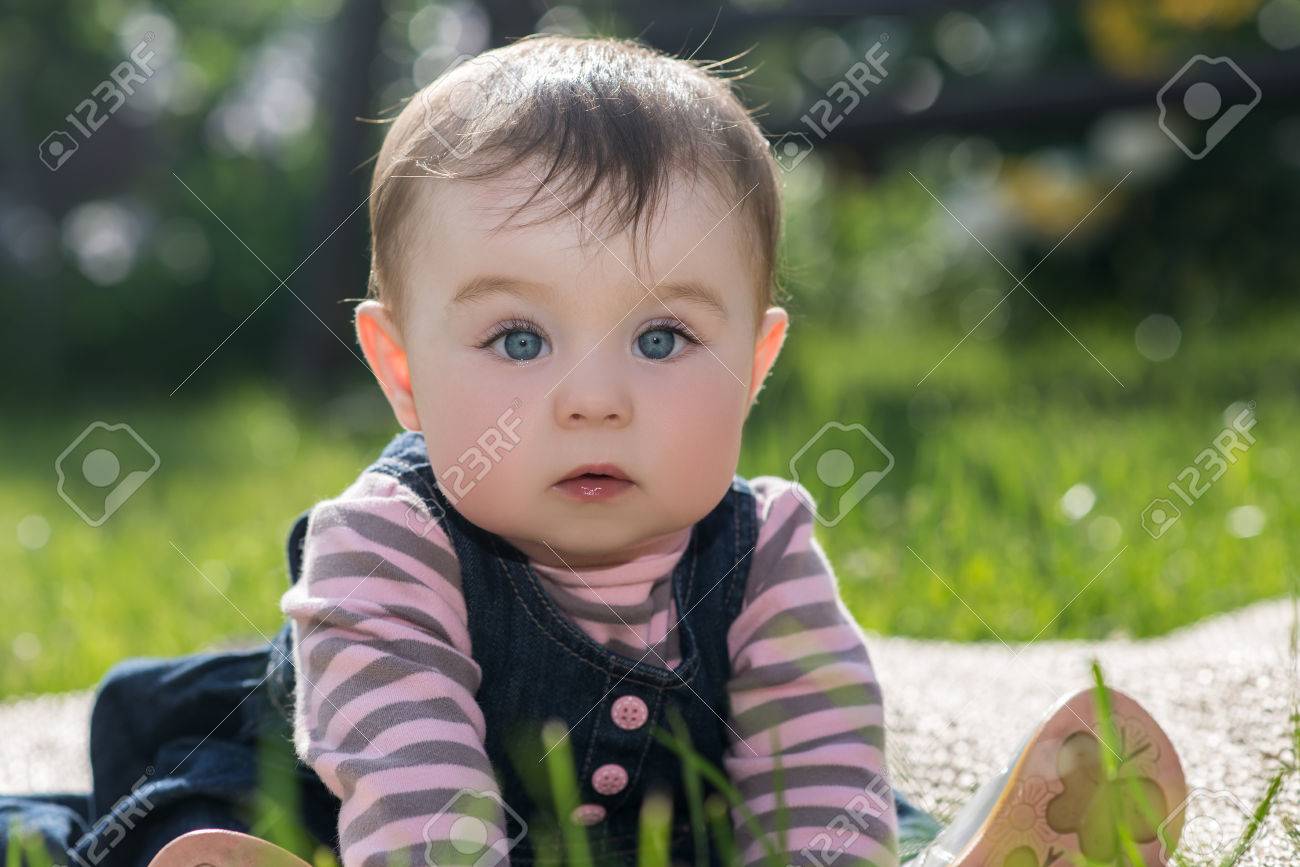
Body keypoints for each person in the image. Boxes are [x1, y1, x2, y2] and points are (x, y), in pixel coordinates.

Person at [1, 33, 1187, 867]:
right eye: (518, 337)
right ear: (401, 371)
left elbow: (811, 743)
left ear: (757, 365)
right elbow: (413, 791)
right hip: (346, 797)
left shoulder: (763, 546)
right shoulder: (388, 543)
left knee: (852, 810)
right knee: (205, 821)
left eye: (664, 336)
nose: (594, 399)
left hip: (662, 818)